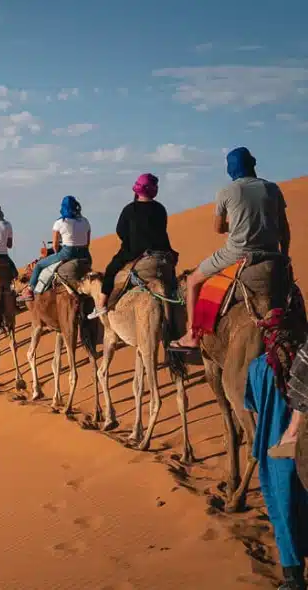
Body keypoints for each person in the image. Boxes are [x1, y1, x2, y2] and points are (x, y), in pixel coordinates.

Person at [170, 147, 290, 351]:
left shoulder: (226, 192)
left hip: (237, 253)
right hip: (271, 254)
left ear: (231, 170)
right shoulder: (272, 188)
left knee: (192, 281)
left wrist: (232, 228)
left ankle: (192, 335)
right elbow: (284, 228)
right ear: (253, 164)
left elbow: (217, 228)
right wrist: (284, 256)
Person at [245, 353, 307, 589]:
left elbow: (254, 408)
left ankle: (294, 578)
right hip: (294, 447)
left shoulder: (259, 366)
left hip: (278, 447)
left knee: (284, 512)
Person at [87, 173, 176, 319]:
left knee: (110, 270)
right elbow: (162, 229)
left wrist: (131, 240)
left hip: (135, 251)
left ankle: (101, 305)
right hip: (161, 252)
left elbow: (120, 230)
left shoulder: (129, 209)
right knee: (171, 274)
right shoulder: (160, 208)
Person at [17, 195, 91, 303]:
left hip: (67, 253)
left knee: (39, 265)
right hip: (85, 255)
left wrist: (58, 253)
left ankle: (29, 290)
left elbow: (56, 246)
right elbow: (87, 243)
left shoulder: (60, 223)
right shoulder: (85, 221)